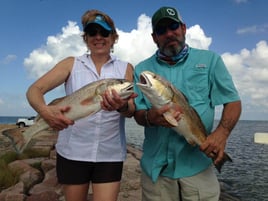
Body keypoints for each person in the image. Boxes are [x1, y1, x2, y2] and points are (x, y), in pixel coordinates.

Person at [26, 9, 136, 201]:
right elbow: (34, 90)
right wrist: (45, 111)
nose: (98, 37)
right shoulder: (71, 64)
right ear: (85, 38)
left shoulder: (125, 68)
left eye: (104, 33)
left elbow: (131, 110)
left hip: (109, 155)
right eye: (92, 33)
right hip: (72, 152)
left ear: (113, 37)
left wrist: (121, 106)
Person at [133, 6, 242, 201]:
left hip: (197, 164)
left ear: (183, 28)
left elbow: (232, 101)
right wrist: (151, 117)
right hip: (157, 170)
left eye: (173, 26)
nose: (169, 33)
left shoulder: (210, 61)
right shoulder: (142, 70)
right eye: (161, 30)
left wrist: (221, 133)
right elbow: (138, 113)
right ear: (154, 37)